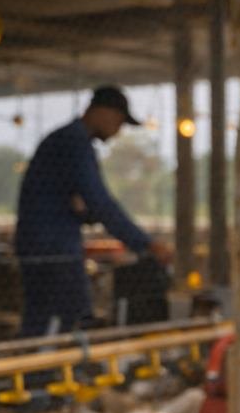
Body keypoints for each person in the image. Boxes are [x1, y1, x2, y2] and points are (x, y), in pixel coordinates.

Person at [13, 85, 168, 336]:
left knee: (42, 317)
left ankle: (36, 371)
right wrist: (145, 244)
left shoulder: (64, 140)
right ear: (103, 112)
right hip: (55, 248)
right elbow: (99, 200)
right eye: (118, 122)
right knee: (76, 317)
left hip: (41, 243)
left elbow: (86, 203)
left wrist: (85, 211)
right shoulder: (74, 142)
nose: (117, 131)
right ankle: (49, 373)